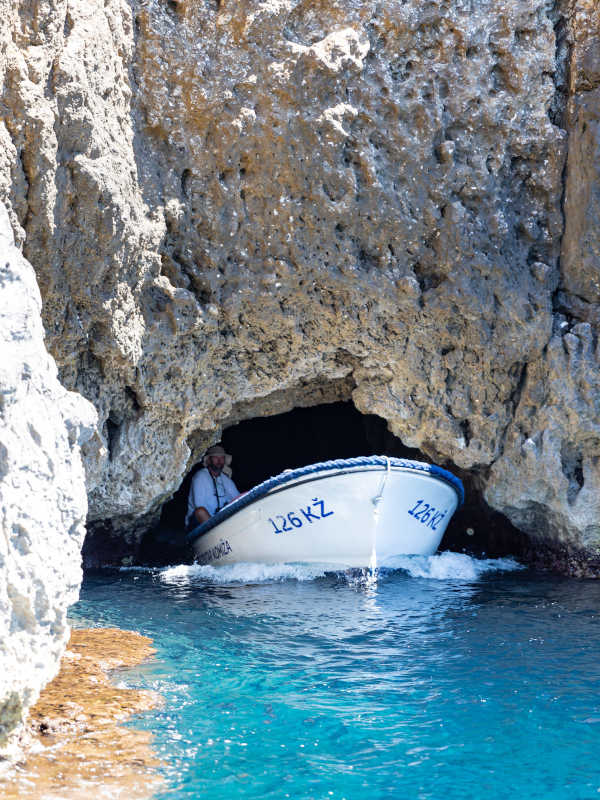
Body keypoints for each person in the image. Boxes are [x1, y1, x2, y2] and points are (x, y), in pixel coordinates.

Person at [185, 444, 240, 531]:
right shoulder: (200, 476)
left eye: (222, 458)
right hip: (200, 524)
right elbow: (199, 505)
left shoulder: (226, 480)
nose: (219, 460)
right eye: (216, 457)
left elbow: (238, 499)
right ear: (209, 460)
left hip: (222, 522)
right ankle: (219, 533)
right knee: (200, 512)